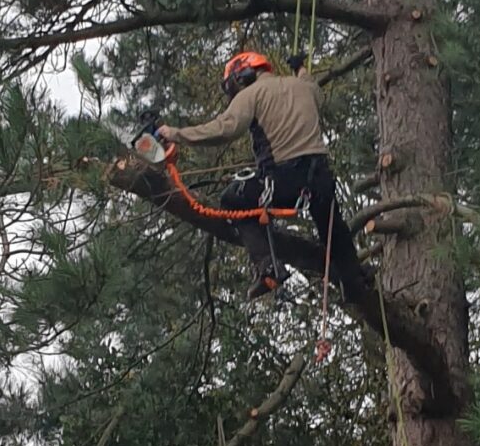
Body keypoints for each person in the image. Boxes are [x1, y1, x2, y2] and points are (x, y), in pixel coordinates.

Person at [144, 49, 363, 297]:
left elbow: (223, 129)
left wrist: (174, 133)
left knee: (233, 200)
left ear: (243, 74)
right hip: (320, 179)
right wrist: (300, 67)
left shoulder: (251, 94)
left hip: (284, 180)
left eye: (232, 86)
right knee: (332, 226)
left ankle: (266, 266)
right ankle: (354, 279)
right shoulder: (303, 87)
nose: (233, 93)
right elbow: (313, 88)